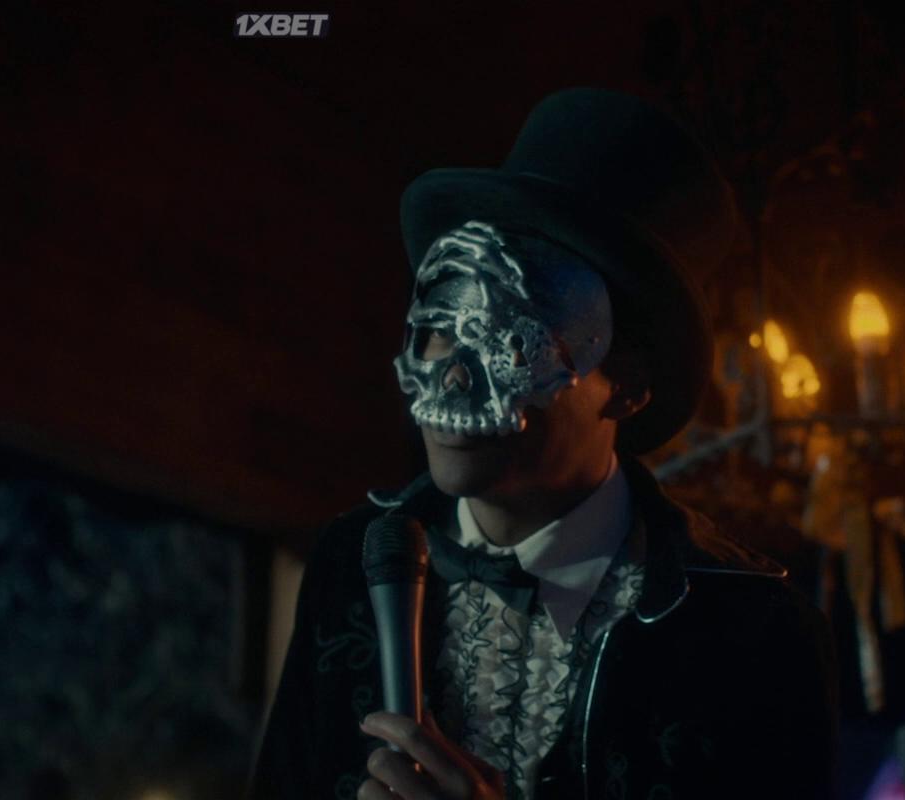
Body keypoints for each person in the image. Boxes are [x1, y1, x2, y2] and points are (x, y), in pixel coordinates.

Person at [249, 88, 839, 800]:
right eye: (438, 329)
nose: (454, 373)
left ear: (626, 385)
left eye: (508, 340)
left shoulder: (754, 632)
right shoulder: (351, 559)